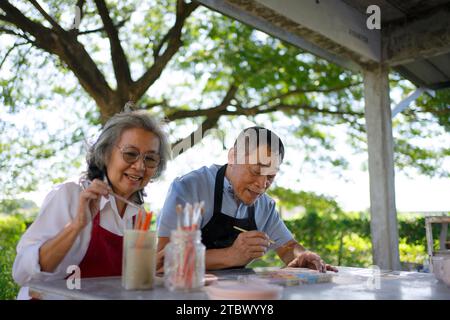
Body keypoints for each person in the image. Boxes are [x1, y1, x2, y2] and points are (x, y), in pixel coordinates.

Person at [12, 109, 170, 299]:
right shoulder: (70, 195)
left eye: (150, 158)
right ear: (105, 153)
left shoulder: (138, 216)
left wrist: (149, 268)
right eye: (130, 154)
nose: (140, 166)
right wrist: (76, 226)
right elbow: (22, 273)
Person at [157, 126, 337, 272]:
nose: (261, 184)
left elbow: (288, 247)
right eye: (256, 171)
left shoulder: (265, 206)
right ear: (233, 157)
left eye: (270, 177)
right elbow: (164, 260)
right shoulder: (190, 187)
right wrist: (230, 255)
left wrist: (303, 255)